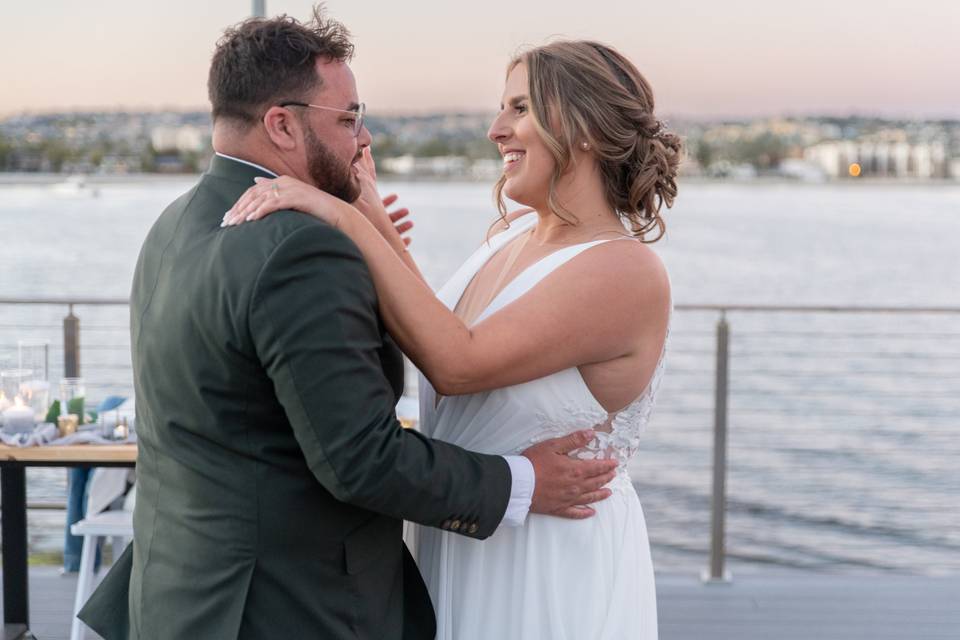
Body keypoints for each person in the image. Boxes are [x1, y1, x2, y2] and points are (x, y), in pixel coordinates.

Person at [77, 10, 621, 640]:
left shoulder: (176, 224)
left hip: (181, 592)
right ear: (282, 124)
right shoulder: (298, 247)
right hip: (288, 607)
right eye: (348, 119)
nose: (361, 140)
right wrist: (523, 483)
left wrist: (367, 228)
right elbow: (361, 459)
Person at [225, 37, 680, 640]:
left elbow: (456, 363)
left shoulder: (622, 270)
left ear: (585, 128)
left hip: (543, 559)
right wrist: (366, 206)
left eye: (520, 108)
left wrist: (338, 216)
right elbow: (440, 327)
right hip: (469, 529)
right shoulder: (513, 235)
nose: (496, 129)